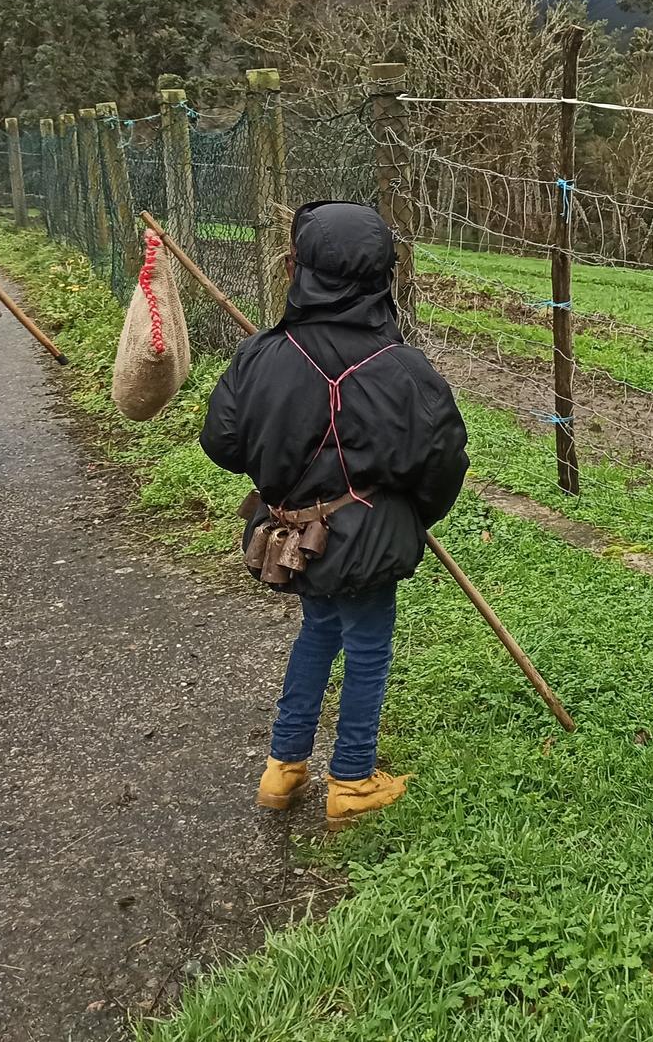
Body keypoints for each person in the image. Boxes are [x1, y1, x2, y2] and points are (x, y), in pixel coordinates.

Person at [202, 201, 468, 832]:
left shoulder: (260, 355)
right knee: (368, 647)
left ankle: (283, 768)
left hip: (290, 538)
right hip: (364, 541)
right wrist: (407, 515)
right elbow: (442, 462)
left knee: (318, 633)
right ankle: (351, 779)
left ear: (301, 268)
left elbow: (223, 442)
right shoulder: (403, 370)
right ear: (383, 276)